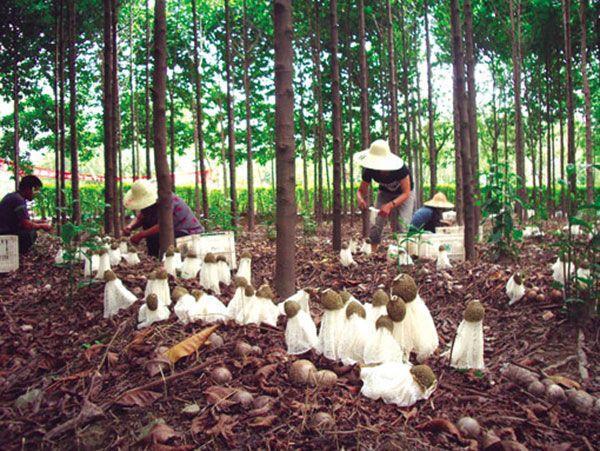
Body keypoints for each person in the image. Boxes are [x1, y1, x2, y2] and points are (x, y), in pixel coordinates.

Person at [355, 140, 415, 251]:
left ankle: (404, 253)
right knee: (377, 220)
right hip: (385, 193)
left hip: (404, 194)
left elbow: (406, 193)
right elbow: (360, 191)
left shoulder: (401, 169)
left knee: (403, 223)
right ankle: (373, 250)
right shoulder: (370, 170)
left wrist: (390, 205)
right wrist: (360, 199)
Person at [122, 179, 204, 258]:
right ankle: (154, 256)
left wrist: (141, 235)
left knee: (154, 235)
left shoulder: (167, 200)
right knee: (149, 226)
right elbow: (142, 216)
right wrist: (130, 227)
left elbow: (163, 224)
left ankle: (161, 258)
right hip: (170, 231)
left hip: (187, 233)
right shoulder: (149, 206)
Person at [0, 175, 52, 254]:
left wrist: (40, 221)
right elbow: (26, 225)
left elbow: (23, 220)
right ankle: (19, 253)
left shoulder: (14, 196)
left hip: (5, 231)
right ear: (29, 189)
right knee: (30, 233)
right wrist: (42, 226)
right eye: (36, 191)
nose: (36, 194)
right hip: (5, 234)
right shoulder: (18, 200)